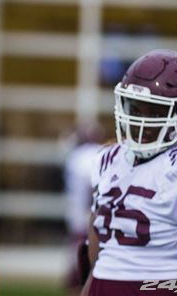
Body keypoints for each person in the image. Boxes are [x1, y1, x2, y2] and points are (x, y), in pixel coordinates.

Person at [81, 49, 177, 296]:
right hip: (104, 284)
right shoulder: (107, 159)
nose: (143, 121)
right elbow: (98, 252)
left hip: (160, 287)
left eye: (155, 112)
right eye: (135, 109)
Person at [62, 123, 104, 295]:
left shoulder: (79, 157)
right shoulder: (97, 154)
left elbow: (91, 188)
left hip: (84, 224)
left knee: (79, 279)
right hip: (92, 223)